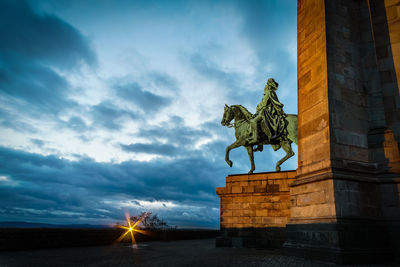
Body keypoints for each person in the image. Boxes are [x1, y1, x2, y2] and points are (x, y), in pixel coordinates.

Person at [248, 78, 288, 146]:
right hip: (263, 110)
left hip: (267, 111)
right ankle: (260, 145)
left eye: (266, 85)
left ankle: (255, 138)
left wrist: (259, 106)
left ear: (269, 86)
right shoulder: (268, 93)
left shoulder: (269, 92)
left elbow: (266, 103)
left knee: (253, 121)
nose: (265, 87)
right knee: (259, 125)